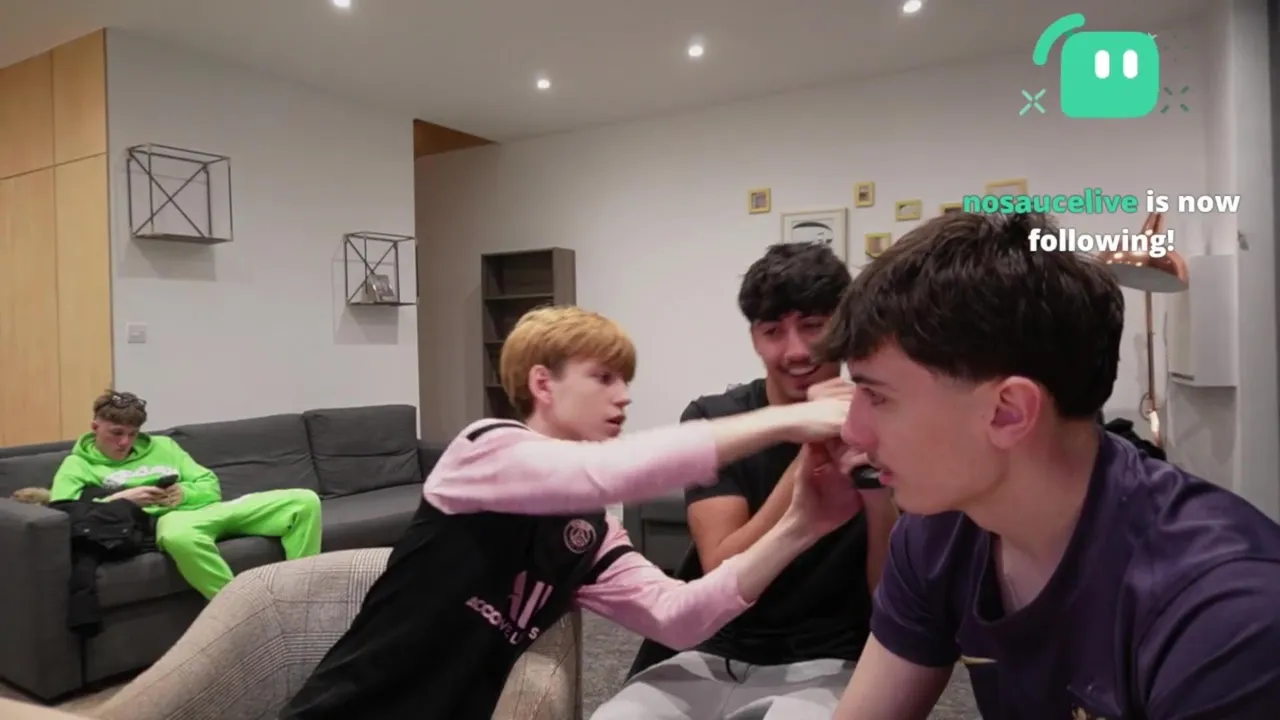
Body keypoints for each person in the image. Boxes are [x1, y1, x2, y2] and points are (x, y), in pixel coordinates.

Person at [278, 305, 864, 720]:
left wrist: (801, 527)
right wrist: (787, 420)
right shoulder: (484, 448)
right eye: (603, 377)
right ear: (543, 383)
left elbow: (679, 618)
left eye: (625, 380)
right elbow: (610, 472)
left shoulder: (589, 531)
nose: (624, 395)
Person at [826, 212, 1280, 719]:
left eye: (877, 396)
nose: (852, 432)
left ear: (1008, 412)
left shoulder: (1227, 612)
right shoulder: (939, 533)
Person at [593, 241, 899, 720]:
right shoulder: (718, 418)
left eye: (814, 326)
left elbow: (894, 600)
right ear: (755, 338)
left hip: (831, 663)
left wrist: (875, 489)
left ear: (843, 327)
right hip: (710, 654)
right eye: (773, 331)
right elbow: (721, 565)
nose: (796, 350)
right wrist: (807, 444)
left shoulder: (885, 421)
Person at [49, 390, 323, 599]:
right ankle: (242, 609)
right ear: (95, 427)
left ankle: (301, 596)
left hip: (209, 509)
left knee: (303, 501)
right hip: (168, 520)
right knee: (179, 537)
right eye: (116, 433)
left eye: (132, 434)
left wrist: (184, 493)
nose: (125, 442)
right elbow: (63, 513)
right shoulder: (77, 464)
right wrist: (123, 501)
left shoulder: (164, 446)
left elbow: (210, 485)